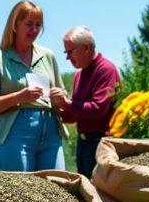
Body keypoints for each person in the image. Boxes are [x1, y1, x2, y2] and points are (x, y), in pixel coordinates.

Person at [0, 0, 67, 171]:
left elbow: (62, 102)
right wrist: (19, 97)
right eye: (29, 24)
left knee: (58, 188)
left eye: (38, 25)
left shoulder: (48, 56)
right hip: (14, 134)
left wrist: (60, 99)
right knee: (20, 192)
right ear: (15, 25)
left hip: (51, 134)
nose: (34, 30)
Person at [50, 26, 121, 177]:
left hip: (101, 143)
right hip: (83, 143)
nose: (67, 58)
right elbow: (74, 115)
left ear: (87, 48)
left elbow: (97, 109)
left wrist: (66, 103)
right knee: (86, 191)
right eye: (66, 52)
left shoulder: (106, 69)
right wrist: (57, 106)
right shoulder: (79, 75)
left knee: (98, 192)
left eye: (70, 52)